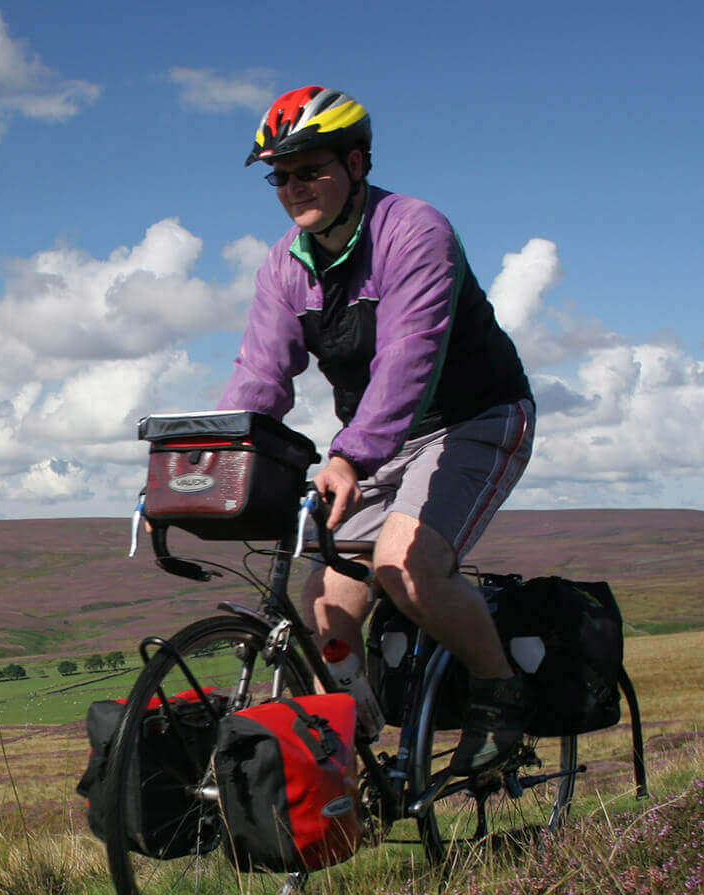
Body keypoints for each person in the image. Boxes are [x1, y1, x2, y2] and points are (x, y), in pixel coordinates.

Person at [215, 86, 537, 776]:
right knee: (326, 605)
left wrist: (351, 454)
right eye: (281, 175)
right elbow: (260, 375)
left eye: (311, 169)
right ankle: (356, 752)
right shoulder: (284, 264)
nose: (294, 186)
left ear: (357, 162)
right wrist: (222, 456)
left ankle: (499, 696)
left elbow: (409, 356)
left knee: (408, 568)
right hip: (377, 439)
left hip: (474, 417)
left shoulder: (414, 229)